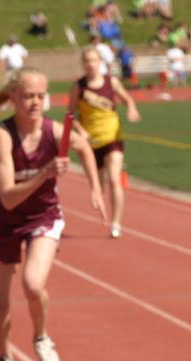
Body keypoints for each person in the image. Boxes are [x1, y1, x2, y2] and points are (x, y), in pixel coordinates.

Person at [0, 68, 107, 361]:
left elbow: (84, 148)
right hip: (3, 220)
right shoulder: (3, 135)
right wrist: (44, 174)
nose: (35, 102)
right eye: (27, 96)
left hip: (43, 216)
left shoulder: (53, 131)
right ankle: (4, 358)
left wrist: (95, 187)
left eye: (40, 96)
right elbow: (8, 198)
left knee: (33, 284)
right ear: (13, 99)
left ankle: (41, 337)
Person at [69, 46, 141, 239]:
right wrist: (81, 130)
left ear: (100, 62)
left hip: (112, 137)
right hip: (91, 142)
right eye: (87, 61)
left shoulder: (111, 82)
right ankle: (103, 209)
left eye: (94, 60)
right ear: (83, 64)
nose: (90, 64)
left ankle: (116, 222)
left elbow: (127, 99)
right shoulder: (79, 87)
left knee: (115, 178)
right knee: (100, 185)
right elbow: (70, 115)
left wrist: (131, 109)